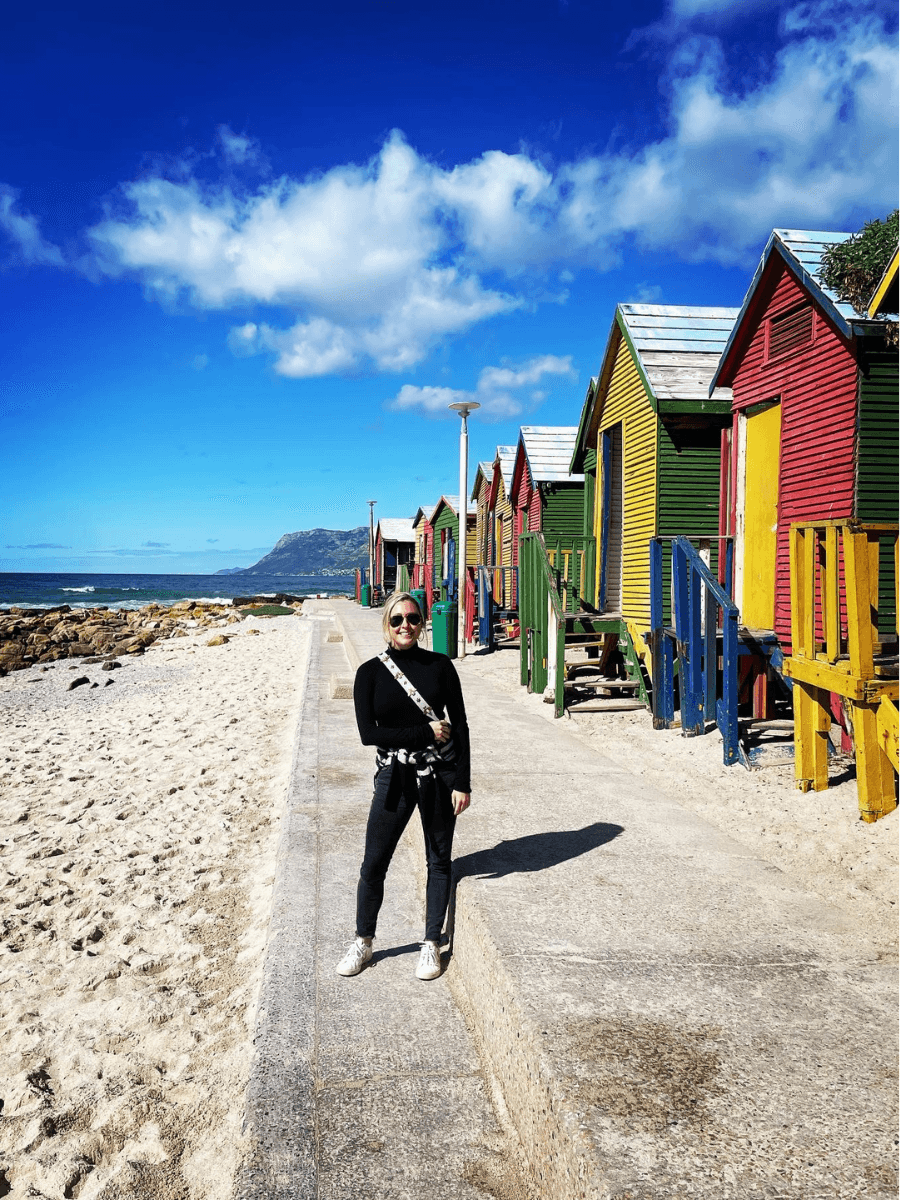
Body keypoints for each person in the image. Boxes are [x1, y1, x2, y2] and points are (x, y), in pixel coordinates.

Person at [336, 590, 471, 981]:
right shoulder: (370, 673)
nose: (405, 626)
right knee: (374, 862)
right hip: (394, 777)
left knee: (438, 861)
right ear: (387, 625)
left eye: (412, 618)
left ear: (422, 623)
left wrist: (462, 782)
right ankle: (363, 940)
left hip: (438, 776)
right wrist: (425, 732)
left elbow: (460, 726)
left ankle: (431, 943)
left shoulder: (440, 666)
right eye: (397, 620)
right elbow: (369, 734)